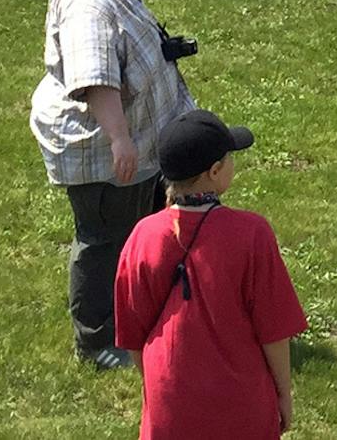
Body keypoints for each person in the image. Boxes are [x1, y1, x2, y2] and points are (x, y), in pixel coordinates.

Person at [31, 0, 197, 370]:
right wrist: (120, 140)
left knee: (134, 234)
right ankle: (96, 341)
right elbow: (95, 76)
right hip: (100, 145)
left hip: (130, 140)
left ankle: (136, 317)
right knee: (103, 240)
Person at [114, 109, 306, 440]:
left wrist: (159, 387)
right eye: (229, 158)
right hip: (240, 403)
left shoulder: (142, 235)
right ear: (214, 172)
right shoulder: (251, 234)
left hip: (169, 403)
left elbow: (132, 334)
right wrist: (283, 393)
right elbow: (274, 329)